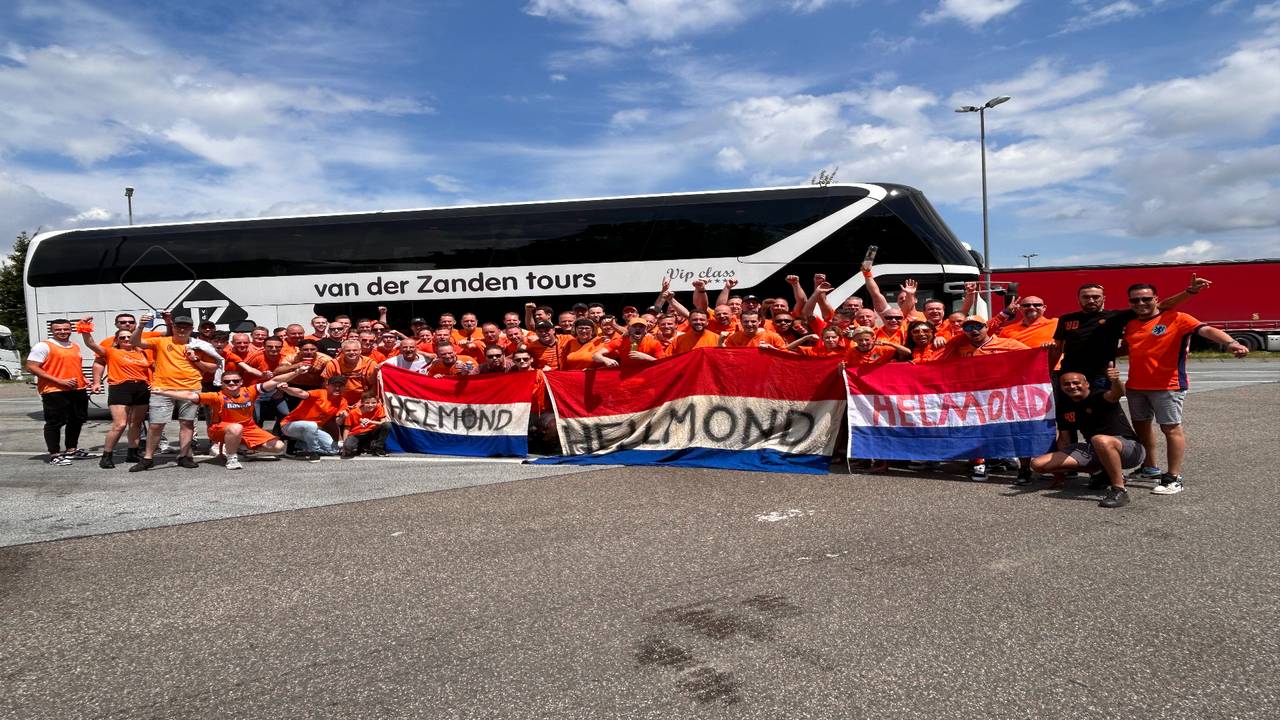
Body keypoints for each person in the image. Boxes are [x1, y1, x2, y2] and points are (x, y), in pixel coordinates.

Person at [1121, 282, 1249, 496]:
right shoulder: (1132, 324)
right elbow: (1127, 349)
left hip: (1167, 386)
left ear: (1156, 298)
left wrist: (1230, 343)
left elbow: (1206, 330)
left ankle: (1173, 477)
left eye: (1146, 299)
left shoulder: (1178, 318)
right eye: (1135, 300)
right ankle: (1150, 468)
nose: (1141, 303)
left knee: (1170, 429)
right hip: (1136, 386)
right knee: (1142, 428)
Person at [1032, 365, 1145, 508]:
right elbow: (1064, 439)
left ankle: (1119, 489)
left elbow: (1116, 394)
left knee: (1099, 439)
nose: (1072, 386)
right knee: (1038, 464)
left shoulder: (1099, 395)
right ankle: (1101, 472)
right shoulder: (1065, 407)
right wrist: (1059, 470)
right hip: (1095, 449)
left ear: (1087, 384)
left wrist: (1115, 381)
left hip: (1129, 449)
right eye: (1066, 384)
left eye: (1076, 383)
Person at [936, 316, 1028, 480]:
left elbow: (1032, 355)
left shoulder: (1008, 344)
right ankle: (979, 464)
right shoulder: (961, 347)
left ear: (987, 327)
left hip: (1002, 395)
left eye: (978, 326)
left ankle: (1015, 464)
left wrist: (1046, 348)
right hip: (973, 396)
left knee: (1009, 429)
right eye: (968, 328)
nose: (974, 331)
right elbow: (937, 364)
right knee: (974, 429)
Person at [150, 369, 298, 470]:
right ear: (222, 383)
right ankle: (232, 458)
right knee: (235, 428)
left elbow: (276, 380)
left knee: (278, 447)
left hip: (248, 429)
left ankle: (240, 447)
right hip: (219, 429)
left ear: (241, 382)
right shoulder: (216, 396)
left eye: (235, 381)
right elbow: (190, 396)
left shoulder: (250, 391)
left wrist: (296, 372)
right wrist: (164, 392)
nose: (232, 384)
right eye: (228, 382)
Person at [130, 314, 221, 471]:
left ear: (191, 329)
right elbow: (135, 342)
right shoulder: (162, 341)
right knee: (156, 425)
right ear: (173, 327)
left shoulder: (200, 346)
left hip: (191, 388)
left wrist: (196, 360)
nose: (182, 329)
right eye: (178, 326)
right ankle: (148, 458)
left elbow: (213, 368)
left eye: (186, 327)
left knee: (187, 422)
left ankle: (184, 456)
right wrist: (141, 326)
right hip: (162, 389)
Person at [78, 319, 152, 468]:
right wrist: (85, 328)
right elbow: (90, 343)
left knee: (136, 424)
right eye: (122, 337)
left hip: (142, 388)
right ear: (117, 340)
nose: (126, 339)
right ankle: (107, 455)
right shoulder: (111, 351)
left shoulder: (142, 353)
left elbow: (154, 368)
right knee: (120, 424)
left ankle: (133, 452)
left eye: (129, 336)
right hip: (120, 388)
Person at [26, 318, 91, 466]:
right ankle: (54, 454)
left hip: (77, 389)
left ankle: (71, 450)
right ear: (52, 330)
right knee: (55, 422)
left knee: (77, 419)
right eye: (58, 329)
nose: (63, 332)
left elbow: (73, 366)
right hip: (54, 390)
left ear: (71, 329)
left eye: (66, 329)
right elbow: (31, 367)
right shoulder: (43, 346)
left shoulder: (74, 345)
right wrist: (59, 381)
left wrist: (84, 378)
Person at [279, 375, 350, 462]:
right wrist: (286, 389)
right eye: (334, 385)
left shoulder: (342, 401)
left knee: (334, 450)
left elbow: (338, 422)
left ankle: (296, 445)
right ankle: (313, 452)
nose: (337, 388)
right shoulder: (320, 393)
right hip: (290, 425)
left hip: (313, 430)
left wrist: (342, 416)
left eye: (340, 386)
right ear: (327, 385)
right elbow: (301, 393)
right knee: (311, 425)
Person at [322, 339, 379, 405]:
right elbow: (327, 386)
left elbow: (374, 386)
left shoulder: (370, 363)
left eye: (355, 350)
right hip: (339, 399)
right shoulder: (333, 364)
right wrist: (341, 403)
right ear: (342, 351)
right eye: (348, 350)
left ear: (360, 351)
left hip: (365, 400)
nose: (352, 352)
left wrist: (363, 401)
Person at [594, 317, 663, 368]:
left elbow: (663, 364)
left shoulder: (654, 343)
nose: (638, 328)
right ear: (628, 328)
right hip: (626, 375)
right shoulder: (620, 341)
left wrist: (646, 357)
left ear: (646, 330)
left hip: (646, 375)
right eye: (634, 326)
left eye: (641, 326)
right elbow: (595, 356)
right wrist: (605, 359)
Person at [340, 393, 389, 458]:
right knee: (348, 448)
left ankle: (378, 448)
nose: (370, 405)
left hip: (371, 433)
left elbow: (383, 422)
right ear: (362, 403)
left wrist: (370, 421)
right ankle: (360, 447)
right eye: (367, 403)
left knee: (387, 425)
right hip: (357, 434)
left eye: (373, 403)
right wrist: (344, 445)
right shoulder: (353, 412)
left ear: (377, 403)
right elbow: (347, 429)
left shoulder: (379, 408)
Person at [720, 311, 785, 349]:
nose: (749, 324)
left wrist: (772, 350)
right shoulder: (733, 338)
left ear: (759, 321)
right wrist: (721, 342)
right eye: (746, 321)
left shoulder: (773, 337)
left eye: (753, 321)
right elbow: (726, 356)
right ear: (741, 322)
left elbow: (785, 356)